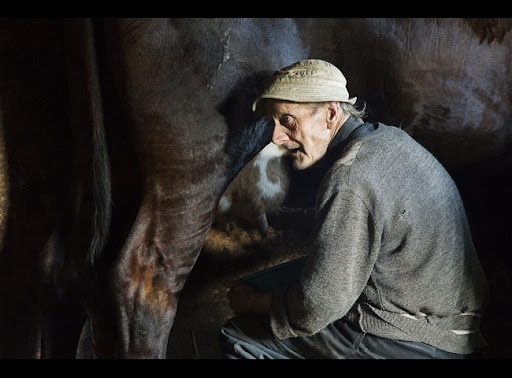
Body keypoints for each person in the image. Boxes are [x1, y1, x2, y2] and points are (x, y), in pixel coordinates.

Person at [218, 59, 489, 359]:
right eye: (275, 124)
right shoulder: (387, 138)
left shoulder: (349, 178)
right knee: (263, 283)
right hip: (449, 318)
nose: (276, 138)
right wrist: (262, 293)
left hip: (414, 336)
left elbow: (317, 307)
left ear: (331, 114)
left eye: (288, 121)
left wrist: (257, 305)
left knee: (238, 333)